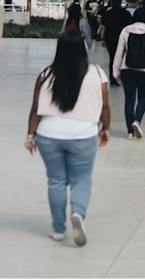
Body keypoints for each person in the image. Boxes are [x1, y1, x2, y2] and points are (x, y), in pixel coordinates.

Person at [25, 30, 110, 246]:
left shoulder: (45, 74)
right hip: (83, 135)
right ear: (83, 49)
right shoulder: (97, 74)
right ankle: (78, 213)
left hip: (48, 135)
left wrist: (30, 135)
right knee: (81, 179)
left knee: (56, 181)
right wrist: (105, 129)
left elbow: (36, 108)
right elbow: (105, 106)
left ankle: (58, 229)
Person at [113, 5, 145, 138]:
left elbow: (119, 52)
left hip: (126, 69)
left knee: (129, 100)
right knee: (143, 97)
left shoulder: (125, 31)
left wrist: (115, 72)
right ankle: (137, 121)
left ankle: (130, 132)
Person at [100, 0, 130, 86]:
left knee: (112, 58)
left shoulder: (107, 13)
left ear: (112, 2)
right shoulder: (126, 13)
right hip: (123, 38)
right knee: (122, 57)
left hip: (110, 38)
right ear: (120, 2)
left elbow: (103, 27)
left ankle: (113, 79)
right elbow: (129, 27)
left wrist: (102, 39)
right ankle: (121, 75)